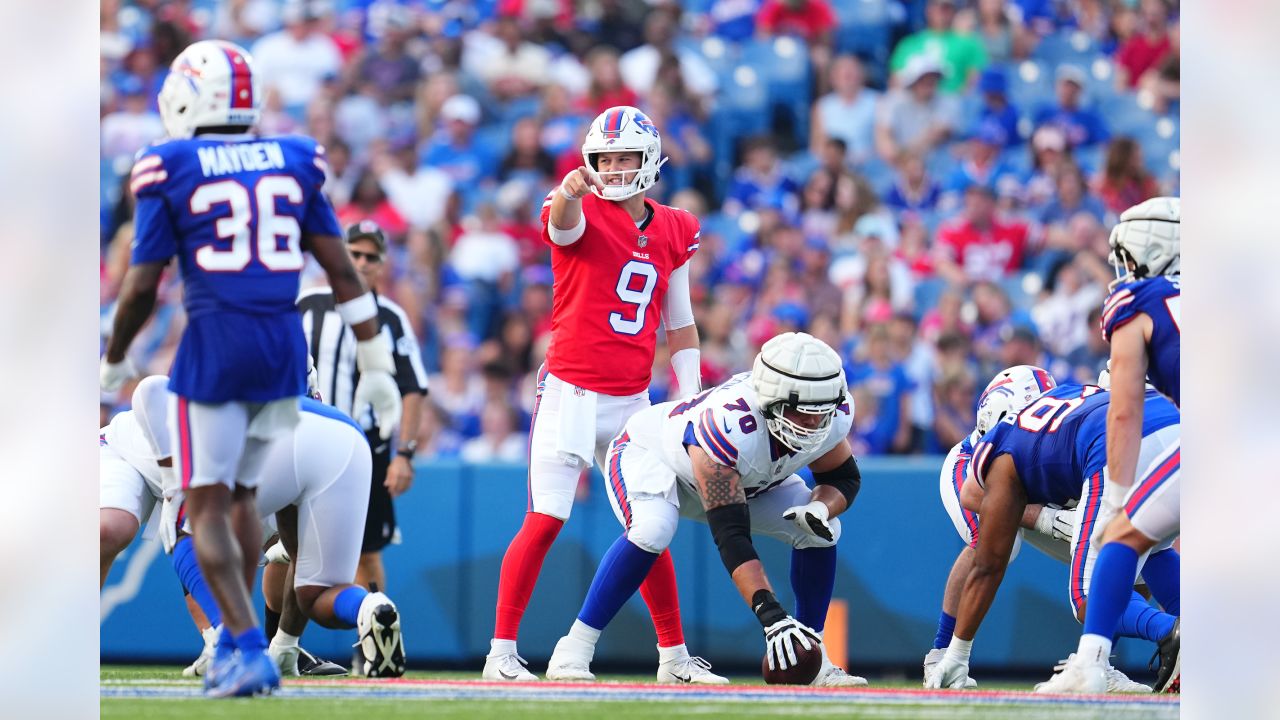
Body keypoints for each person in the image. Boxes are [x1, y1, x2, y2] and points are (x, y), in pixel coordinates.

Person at [99, 40, 402, 698]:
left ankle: (243, 648)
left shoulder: (168, 163)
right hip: (282, 346)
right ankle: (245, 647)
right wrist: (376, 361)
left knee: (200, 505)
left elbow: (143, 283)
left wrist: (116, 352)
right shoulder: (295, 157)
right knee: (240, 497)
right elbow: (342, 270)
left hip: (218, 343)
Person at [484, 105, 718, 684]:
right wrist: (566, 190)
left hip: (633, 402)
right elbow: (561, 223)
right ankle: (501, 653)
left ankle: (674, 658)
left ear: (649, 161)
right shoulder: (579, 208)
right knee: (544, 519)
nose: (613, 168)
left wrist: (688, 395)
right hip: (571, 393)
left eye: (624, 158)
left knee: (652, 524)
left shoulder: (676, 226)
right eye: (604, 158)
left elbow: (680, 322)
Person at [544, 333, 867, 687]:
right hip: (653, 455)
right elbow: (731, 535)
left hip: (744, 480)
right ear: (772, 401)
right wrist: (770, 614)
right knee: (653, 528)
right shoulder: (730, 426)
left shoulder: (829, 413)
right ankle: (574, 647)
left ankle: (813, 654)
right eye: (802, 414)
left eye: (820, 414)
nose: (813, 425)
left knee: (823, 531)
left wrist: (821, 507)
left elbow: (843, 477)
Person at [101, 376, 404, 680]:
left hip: (251, 439)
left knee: (189, 523)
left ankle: (235, 641)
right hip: (346, 437)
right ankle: (367, 605)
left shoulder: (225, 410)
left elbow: (195, 548)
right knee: (318, 592)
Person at [925, 383, 1181, 690]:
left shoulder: (1005, 450)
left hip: (1115, 443)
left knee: (1088, 595)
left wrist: (957, 654)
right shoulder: (1065, 399)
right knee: (1151, 551)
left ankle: (1172, 632)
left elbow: (989, 565)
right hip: (1172, 423)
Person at [1035, 197, 1181, 694]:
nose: (1123, 269)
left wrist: (1118, 496)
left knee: (1122, 534)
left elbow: (1123, 410)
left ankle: (1090, 663)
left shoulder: (1138, 302)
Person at [297, 221, 429, 597]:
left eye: (371, 257)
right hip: (304, 441)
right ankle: (281, 646)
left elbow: (413, 389)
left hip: (364, 448)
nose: (362, 262)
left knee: (366, 553)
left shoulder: (390, 318)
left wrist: (404, 453)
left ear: (382, 264)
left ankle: (371, 651)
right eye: (354, 253)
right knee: (283, 550)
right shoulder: (307, 305)